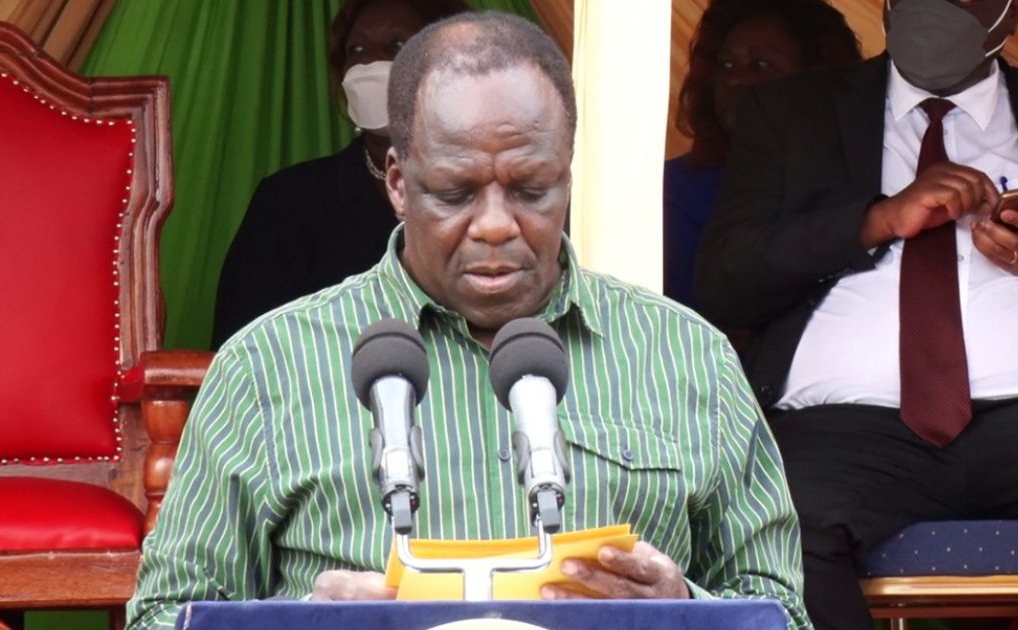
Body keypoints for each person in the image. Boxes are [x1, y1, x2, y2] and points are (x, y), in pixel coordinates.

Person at [128, 11, 811, 630]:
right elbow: (164, 616)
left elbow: (780, 613)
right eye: (455, 193)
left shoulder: (686, 357)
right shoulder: (266, 367)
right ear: (398, 183)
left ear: (568, 177)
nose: (494, 225)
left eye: (531, 190)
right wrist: (304, 624)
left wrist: (682, 609)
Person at [696, 0, 1018, 628]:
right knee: (764, 529)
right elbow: (726, 280)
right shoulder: (790, 113)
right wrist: (875, 220)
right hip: (843, 426)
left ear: (1014, 8)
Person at [210, 0, 470, 349]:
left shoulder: (494, 195)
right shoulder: (288, 203)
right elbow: (241, 352)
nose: (370, 62)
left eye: (396, 45)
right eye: (356, 50)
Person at [664, 0, 860, 313]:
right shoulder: (675, 191)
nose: (734, 79)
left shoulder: (860, 178)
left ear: (815, 81)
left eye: (760, 66)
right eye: (726, 65)